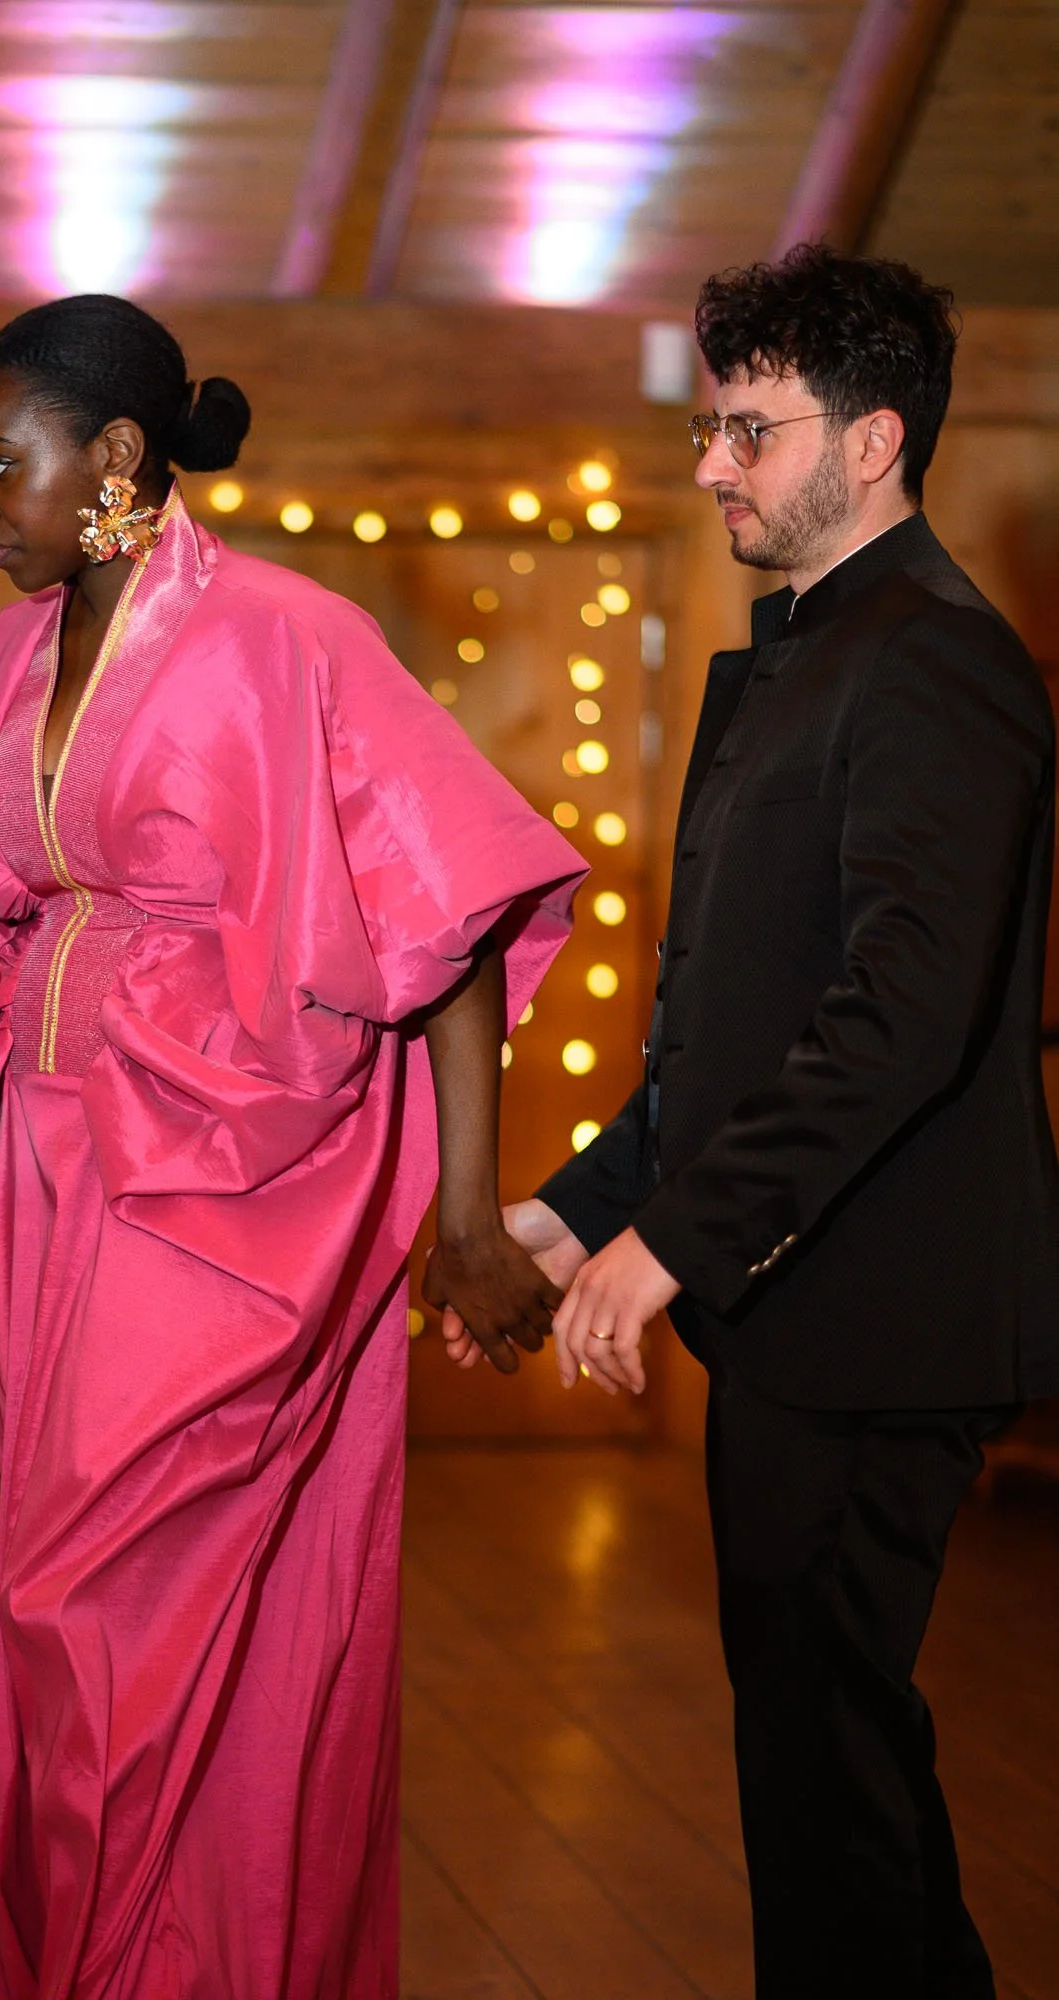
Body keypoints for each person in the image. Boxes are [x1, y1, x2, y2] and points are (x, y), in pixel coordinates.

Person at [0, 293, 584, 2000]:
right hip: (47, 1186)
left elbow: (453, 921)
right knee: (74, 1637)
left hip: (230, 1206)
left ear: (114, 457)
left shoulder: (286, 636)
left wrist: (464, 1219)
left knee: (96, 1623)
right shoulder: (2, 662)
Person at [444, 244, 1059, 1997]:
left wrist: (675, 1247)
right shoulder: (811, 652)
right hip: (817, 1305)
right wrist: (566, 1216)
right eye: (711, 428)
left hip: (893, 1313)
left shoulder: (937, 661)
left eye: (749, 430)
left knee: (828, 1758)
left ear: (872, 443)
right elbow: (724, 1030)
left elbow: (892, 1025)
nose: (711, 463)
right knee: (816, 1746)